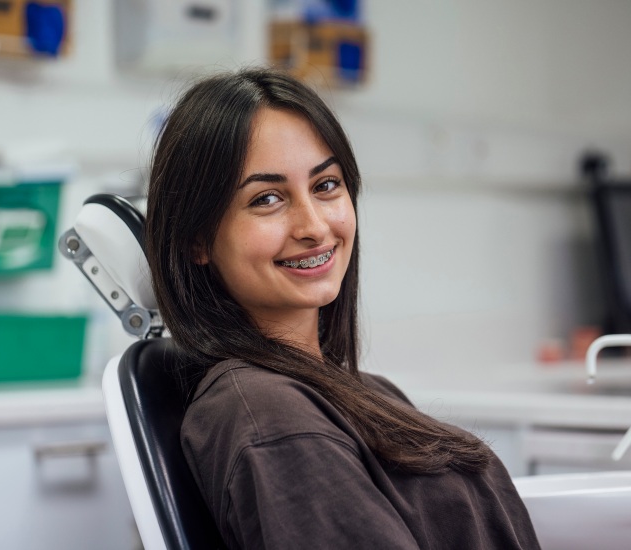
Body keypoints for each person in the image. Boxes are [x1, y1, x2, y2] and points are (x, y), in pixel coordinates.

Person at [144, 68, 540, 549]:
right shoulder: (268, 417)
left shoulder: (362, 392)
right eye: (267, 198)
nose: (314, 225)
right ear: (196, 240)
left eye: (326, 185)